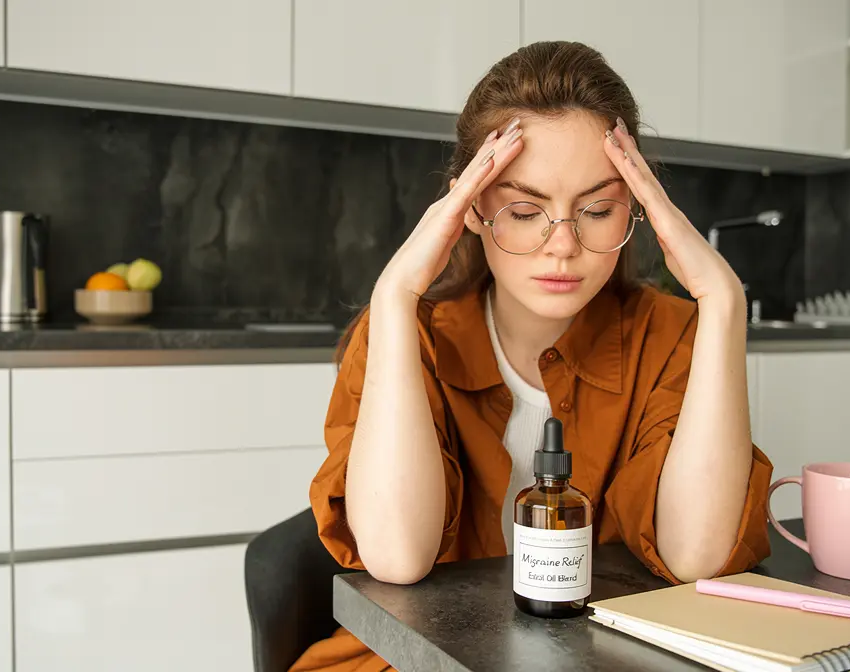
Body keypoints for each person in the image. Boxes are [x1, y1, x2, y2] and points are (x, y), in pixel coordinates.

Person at [290, 41, 773, 672]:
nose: (563, 246)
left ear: (638, 205)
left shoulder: (673, 333)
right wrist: (395, 294)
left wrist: (722, 300)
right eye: (524, 211)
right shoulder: (410, 332)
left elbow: (696, 554)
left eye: (598, 210)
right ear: (468, 209)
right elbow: (397, 556)